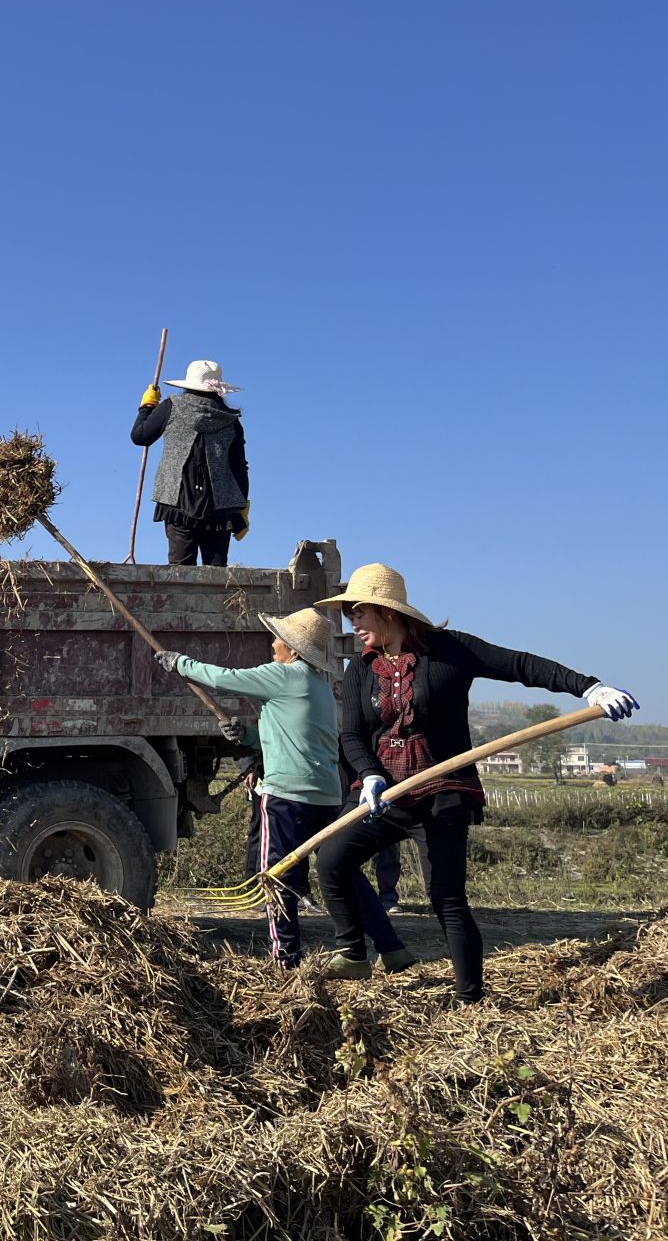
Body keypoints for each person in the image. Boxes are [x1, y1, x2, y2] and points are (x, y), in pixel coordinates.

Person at [313, 563, 638, 1004]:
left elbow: (521, 665)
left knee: (445, 896)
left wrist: (590, 687)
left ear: (387, 612)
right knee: (332, 859)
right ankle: (354, 952)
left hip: (442, 793)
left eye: (358, 611)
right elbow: (351, 733)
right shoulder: (361, 670)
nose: (352, 620)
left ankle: (470, 999)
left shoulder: (449, 651)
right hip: (387, 798)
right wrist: (369, 773)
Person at [156, 607, 409, 972]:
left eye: (277, 639)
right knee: (343, 871)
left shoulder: (282, 675)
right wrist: (246, 736)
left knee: (278, 878)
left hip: (286, 796)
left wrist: (180, 663)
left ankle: (286, 960)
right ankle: (391, 945)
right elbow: (295, 739)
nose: (272, 644)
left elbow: (223, 678)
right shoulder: (318, 687)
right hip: (325, 796)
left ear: (292, 648)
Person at [130, 358, 249, 566]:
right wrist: (242, 506)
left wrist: (147, 407)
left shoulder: (171, 407)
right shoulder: (230, 419)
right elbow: (239, 467)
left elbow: (140, 437)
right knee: (217, 574)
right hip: (221, 508)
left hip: (178, 500)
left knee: (180, 571)